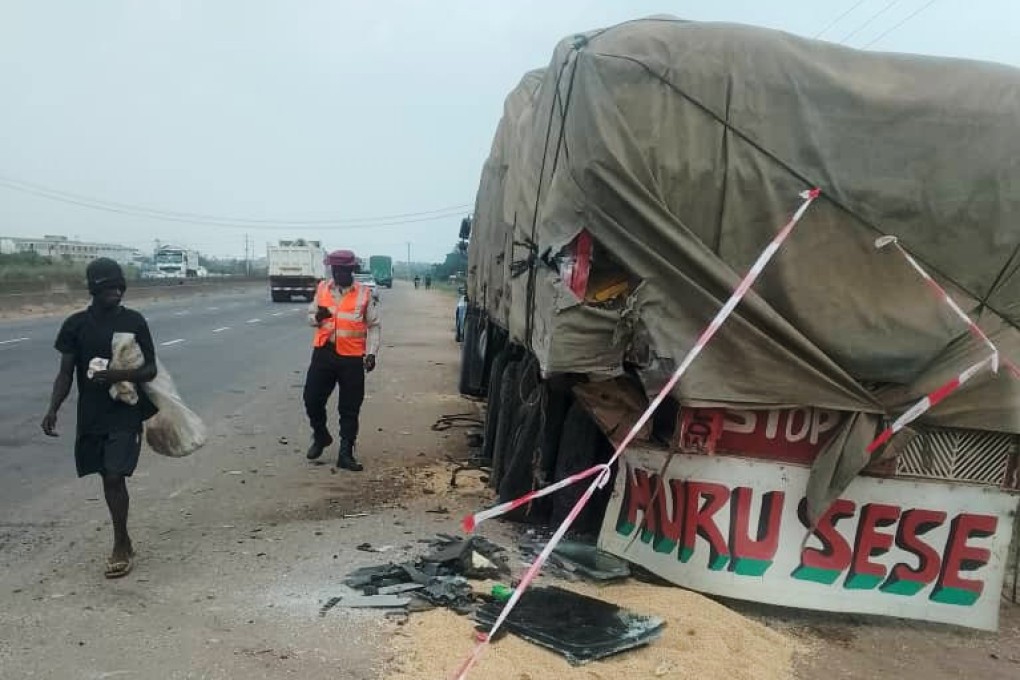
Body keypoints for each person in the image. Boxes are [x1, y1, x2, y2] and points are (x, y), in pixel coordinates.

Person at [41, 258, 158, 579]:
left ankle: (120, 543)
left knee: (113, 475)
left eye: (120, 286)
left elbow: (150, 369)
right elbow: (65, 373)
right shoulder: (75, 325)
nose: (116, 292)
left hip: (125, 410)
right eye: (109, 287)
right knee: (104, 474)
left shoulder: (134, 321)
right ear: (94, 288)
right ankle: (125, 538)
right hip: (92, 414)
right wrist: (53, 408)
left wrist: (116, 374)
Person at [304, 249, 381, 471]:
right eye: (335, 269)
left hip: (352, 358)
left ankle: (345, 452)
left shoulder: (364, 294)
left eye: (343, 270)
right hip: (324, 353)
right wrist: (317, 317)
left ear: (352, 270)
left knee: (350, 408)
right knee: (311, 399)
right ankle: (321, 435)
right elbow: (310, 316)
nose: (338, 273)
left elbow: (374, 326)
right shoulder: (322, 289)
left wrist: (372, 353)